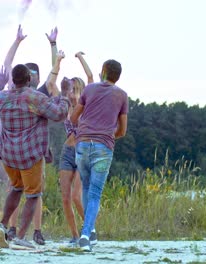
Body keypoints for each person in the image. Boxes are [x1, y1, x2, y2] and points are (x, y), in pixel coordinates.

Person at [0, 59, 70, 249]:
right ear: (29, 79)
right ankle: (20, 238)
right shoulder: (34, 98)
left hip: (8, 155)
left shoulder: (3, 97)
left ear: (13, 80)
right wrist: (64, 94)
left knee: (16, 188)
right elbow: (59, 114)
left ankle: (2, 225)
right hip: (30, 155)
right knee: (33, 194)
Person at [2, 25, 59, 245]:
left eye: (35, 73)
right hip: (17, 147)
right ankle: (13, 229)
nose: (33, 76)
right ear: (25, 77)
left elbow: (55, 70)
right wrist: (16, 42)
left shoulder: (42, 92)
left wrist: (53, 45)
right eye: (29, 72)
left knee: (35, 191)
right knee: (17, 189)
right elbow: (7, 66)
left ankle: (36, 230)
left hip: (35, 149)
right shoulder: (15, 90)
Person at [70, 59, 128, 252]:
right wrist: (110, 136)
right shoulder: (122, 96)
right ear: (117, 77)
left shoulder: (89, 90)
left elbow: (73, 118)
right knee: (94, 193)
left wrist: (85, 131)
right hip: (103, 147)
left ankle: (90, 230)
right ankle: (85, 235)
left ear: (103, 72)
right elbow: (122, 131)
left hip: (83, 145)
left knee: (86, 188)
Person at [55, 51, 94, 246]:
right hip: (66, 153)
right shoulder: (64, 105)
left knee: (76, 197)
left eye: (73, 89)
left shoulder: (86, 104)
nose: (70, 93)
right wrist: (58, 60)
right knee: (65, 198)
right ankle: (75, 235)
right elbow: (52, 85)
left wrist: (80, 58)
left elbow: (90, 78)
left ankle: (89, 231)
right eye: (69, 89)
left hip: (83, 152)